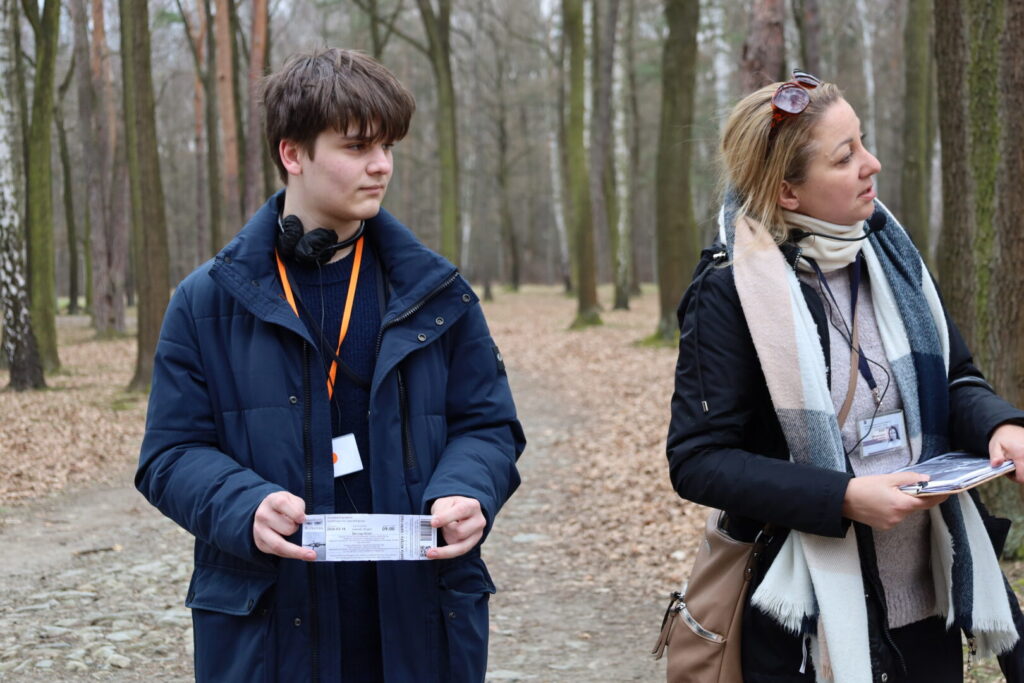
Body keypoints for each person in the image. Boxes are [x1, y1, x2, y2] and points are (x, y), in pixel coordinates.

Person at [136, 48, 525, 682]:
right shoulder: (205, 301)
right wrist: (244, 504)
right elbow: (170, 454)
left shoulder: (437, 294)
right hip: (269, 628)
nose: (381, 165)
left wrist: (467, 489)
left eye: (388, 146)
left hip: (419, 622)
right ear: (293, 154)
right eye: (357, 146)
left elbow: (488, 426)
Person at [666, 70, 1024, 682]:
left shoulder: (892, 255)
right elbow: (698, 459)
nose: (871, 164)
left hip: (927, 602)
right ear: (788, 193)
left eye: (863, 142)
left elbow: (956, 379)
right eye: (845, 156)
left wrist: (1001, 426)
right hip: (803, 621)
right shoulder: (728, 293)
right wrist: (842, 499)